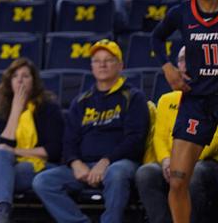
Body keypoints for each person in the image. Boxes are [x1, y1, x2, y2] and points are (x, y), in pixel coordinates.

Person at [150, 0, 218, 223]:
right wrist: (167, 67)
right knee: (177, 181)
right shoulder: (182, 11)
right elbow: (156, 37)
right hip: (196, 100)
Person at [32, 39, 147, 223]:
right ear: (92, 67)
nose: (102, 64)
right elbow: (69, 140)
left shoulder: (133, 97)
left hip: (119, 163)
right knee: (43, 181)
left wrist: (106, 161)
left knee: (116, 173)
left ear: (120, 65)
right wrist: (75, 162)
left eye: (108, 60)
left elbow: (135, 139)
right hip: (85, 165)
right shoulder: (81, 101)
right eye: (97, 60)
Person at [135, 47, 218, 223]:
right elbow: (159, 137)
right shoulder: (166, 100)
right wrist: (166, 160)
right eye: (182, 59)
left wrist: (183, 161)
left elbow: (216, 139)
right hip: (170, 162)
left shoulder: (215, 94)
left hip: (204, 162)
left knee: (194, 173)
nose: (186, 63)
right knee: (146, 173)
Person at [0, 58, 64, 223]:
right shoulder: (4, 109)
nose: (20, 80)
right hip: (11, 165)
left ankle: (1, 216)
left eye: (25, 76)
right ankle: (2, 213)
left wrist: (15, 151)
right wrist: (16, 110)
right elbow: (1, 146)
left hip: (43, 166)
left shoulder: (48, 107)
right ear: (9, 82)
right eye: (15, 76)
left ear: (34, 81)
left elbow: (53, 150)